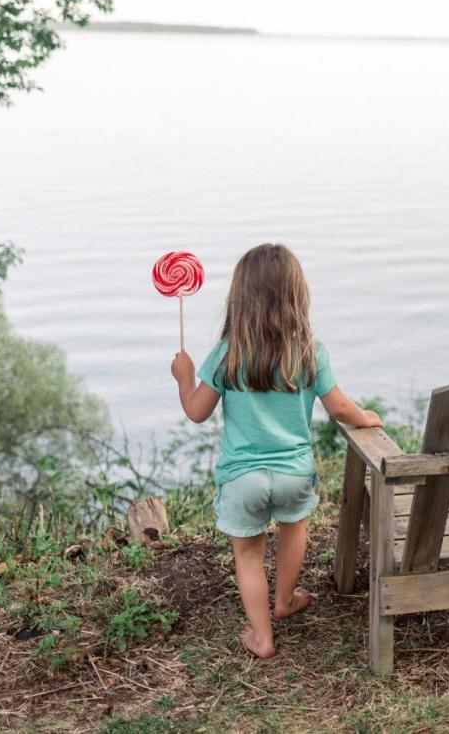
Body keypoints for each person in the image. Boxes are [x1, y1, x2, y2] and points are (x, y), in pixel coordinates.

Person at [170, 243, 382, 658]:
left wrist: (184, 377)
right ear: (295, 295)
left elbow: (197, 411)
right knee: (294, 531)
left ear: (239, 297)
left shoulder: (227, 352)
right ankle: (284, 600)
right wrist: (366, 417)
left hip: (243, 476)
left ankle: (262, 637)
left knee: (248, 556)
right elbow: (339, 407)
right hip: (293, 473)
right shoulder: (309, 350)